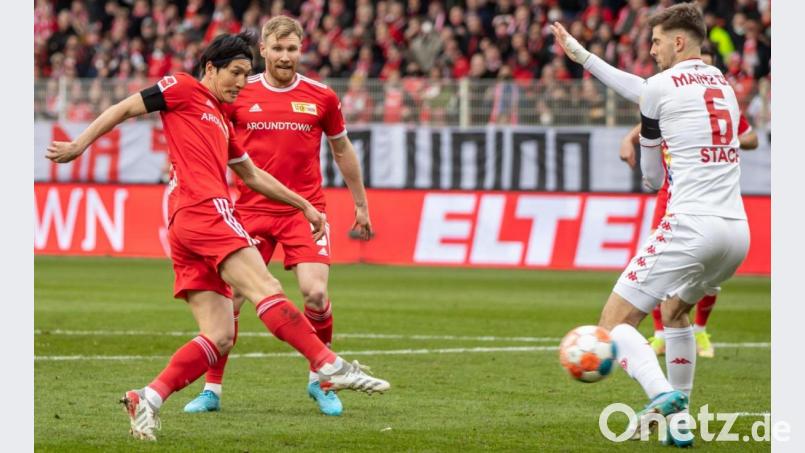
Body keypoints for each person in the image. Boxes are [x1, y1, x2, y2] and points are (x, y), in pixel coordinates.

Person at [45, 32, 389, 442]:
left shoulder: (223, 120)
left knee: (220, 334)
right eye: (236, 73)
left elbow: (252, 175)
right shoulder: (182, 87)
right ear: (211, 68)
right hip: (203, 207)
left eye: (246, 75)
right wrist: (80, 145)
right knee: (266, 287)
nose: (242, 83)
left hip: (187, 222)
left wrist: (304, 205)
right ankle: (329, 365)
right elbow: (124, 108)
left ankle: (147, 398)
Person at [552, 3, 749, 446]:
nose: (653, 49)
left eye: (657, 41)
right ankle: (680, 425)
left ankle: (663, 395)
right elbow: (643, 87)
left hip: (689, 226)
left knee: (613, 323)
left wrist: (651, 166)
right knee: (677, 311)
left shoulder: (660, 88)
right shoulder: (725, 85)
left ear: (679, 41)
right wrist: (583, 56)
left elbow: (654, 177)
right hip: (737, 232)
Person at [183, 16, 373, 417]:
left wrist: (360, 203)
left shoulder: (321, 96)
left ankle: (320, 381)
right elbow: (208, 135)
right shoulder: (237, 90)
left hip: (305, 210)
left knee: (316, 294)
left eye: (293, 49)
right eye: (278, 49)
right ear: (263, 51)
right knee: (231, 299)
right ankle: (212, 389)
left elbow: (342, 150)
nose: (286, 56)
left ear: (300, 50)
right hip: (248, 210)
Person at [616, 44, 759, 359]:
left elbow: (751, 137)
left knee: (706, 273)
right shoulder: (673, 95)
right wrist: (629, 137)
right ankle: (660, 335)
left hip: (708, 195)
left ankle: (700, 331)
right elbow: (650, 119)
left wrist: (725, 140)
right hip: (671, 191)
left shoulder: (720, 101)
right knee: (655, 262)